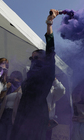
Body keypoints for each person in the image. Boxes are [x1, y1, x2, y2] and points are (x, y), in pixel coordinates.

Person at [10, 9, 58, 140]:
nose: (34, 61)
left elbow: (50, 49)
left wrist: (49, 25)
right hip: (22, 114)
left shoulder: (47, 72)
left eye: (37, 58)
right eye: (32, 59)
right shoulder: (29, 76)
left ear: (45, 60)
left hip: (36, 115)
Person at [0, 71, 23, 140]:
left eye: (14, 78)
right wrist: (6, 88)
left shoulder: (22, 88)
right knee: (0, 134)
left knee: (9, 135)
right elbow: (0, 99)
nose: (12, 79)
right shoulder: (8, 86)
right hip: (4, 113)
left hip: (13, 114)